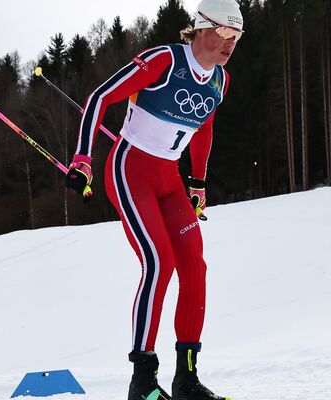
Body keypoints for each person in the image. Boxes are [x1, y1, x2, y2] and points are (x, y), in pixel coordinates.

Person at [64, 0, 241, 399]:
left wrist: (198, 183)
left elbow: (204, 127)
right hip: (130, 170)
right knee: (159, 263)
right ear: (201, 28)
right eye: (226, 33)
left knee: (195, 267)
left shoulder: (220, 82)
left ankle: (187, 380)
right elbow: (98, 98)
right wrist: (82, 160)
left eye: (238, 36)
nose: (231, 43)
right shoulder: (164, 59)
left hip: (170, 180)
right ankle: (142, 382)